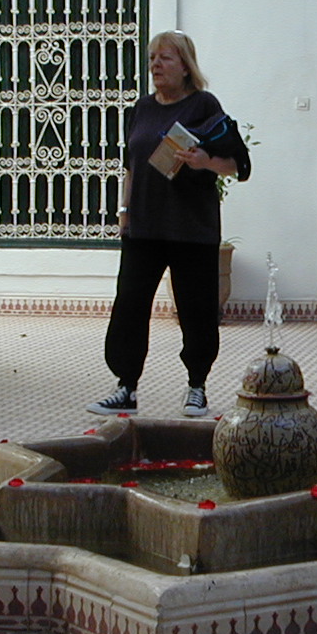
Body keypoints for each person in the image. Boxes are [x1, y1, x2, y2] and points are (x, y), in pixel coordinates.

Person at [88, 31, 248, 418]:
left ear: (185, 66)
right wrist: (124, 212)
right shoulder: (142, 108)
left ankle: (197, 387)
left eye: (165, 58)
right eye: (153, 58)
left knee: (196, 311)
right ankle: (126, 387)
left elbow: (238, 164)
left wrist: (206, 162)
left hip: (192, 229)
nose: (156, 65)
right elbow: (131, 166)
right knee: (129, 306)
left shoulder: (204, 105)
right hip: (144, 226)